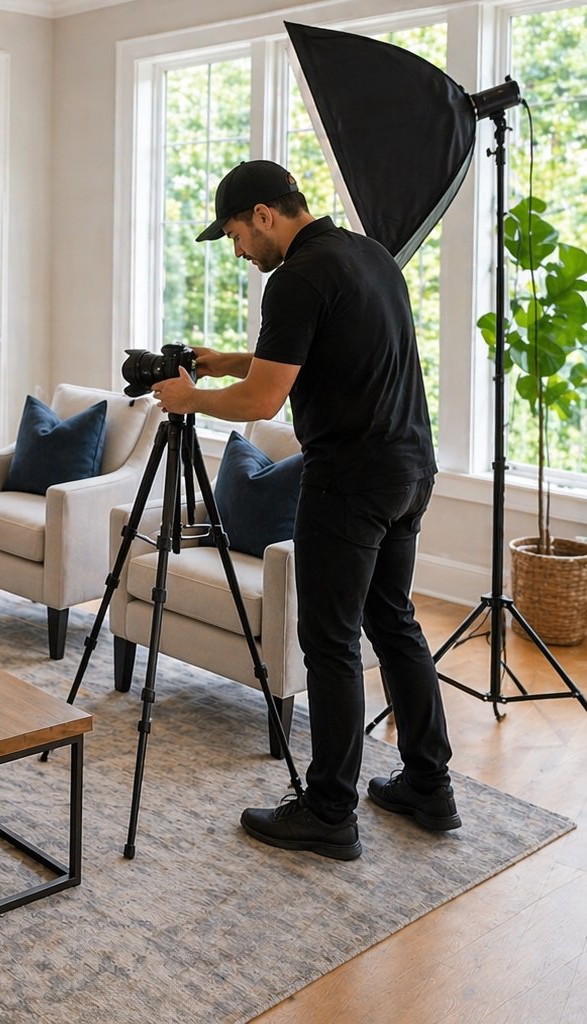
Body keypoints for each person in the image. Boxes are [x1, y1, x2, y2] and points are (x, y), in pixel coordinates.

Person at [150, 160, 457, 861]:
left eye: (232, 233)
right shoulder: (368, 254)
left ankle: (327, 811)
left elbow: (264, 404)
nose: (235, 250)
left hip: (348, 480)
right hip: (409, 470)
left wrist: (189, 398)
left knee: (329, 642)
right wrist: (229, 360)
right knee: (393, 623)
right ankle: (427, 786)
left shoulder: (293, 278)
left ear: (262, 215)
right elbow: (320, 355)